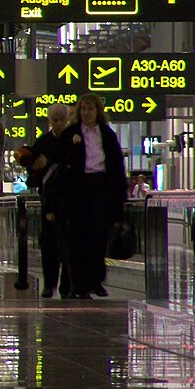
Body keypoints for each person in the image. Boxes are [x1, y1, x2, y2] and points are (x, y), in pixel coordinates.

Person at [57, 93, 127, 299]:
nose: (87, 113)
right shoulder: (71, 133)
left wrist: (120, 195)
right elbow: (60, 161)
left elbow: (116, 165)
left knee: (98, 235)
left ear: (97, 111)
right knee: (78, 237)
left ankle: (95, 279)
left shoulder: (106, 133)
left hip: (101, 186)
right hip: (78, 189)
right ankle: (79, 286)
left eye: (90, 109)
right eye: (83, 109)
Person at [19, 102, 71, 299]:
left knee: (69, 245)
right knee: (49, 245)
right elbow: (32, 176)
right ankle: (50, 284)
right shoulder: (42, 143)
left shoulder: (74, 141)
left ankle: (68, 285)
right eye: (54, 120)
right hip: (49, 200)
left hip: (69, 200)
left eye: (61, 120)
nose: (58, 124)